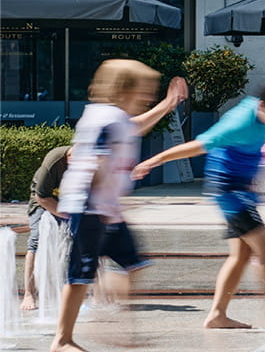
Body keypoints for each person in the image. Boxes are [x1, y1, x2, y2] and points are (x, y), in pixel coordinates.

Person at [133, 77, 265, 329]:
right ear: (263, 106)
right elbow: (196, 147)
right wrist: (152, 162)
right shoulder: (239, 122)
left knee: (241, 255)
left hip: (240, 188)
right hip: (228, 188)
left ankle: (217, 315)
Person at [53, 60, 187, 352]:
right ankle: (62, 340)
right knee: (80, 276)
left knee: (134, 264)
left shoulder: (117, 118)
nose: (147, 97)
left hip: (105, 208)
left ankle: (118, 331)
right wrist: (99, 205)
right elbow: (96, 162)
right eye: (144, 90)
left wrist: (167, 104)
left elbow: (135, 128)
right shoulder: (107, 118)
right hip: (90, 208)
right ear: (125, 89)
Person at [21, 145, 71, 311]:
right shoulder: (54, 160)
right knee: (37, 239)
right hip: (42, 201)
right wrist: (65, 215)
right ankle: (29, 294)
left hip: (67, 201)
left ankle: (68, 292)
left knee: (75, 238)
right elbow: (41, 197)